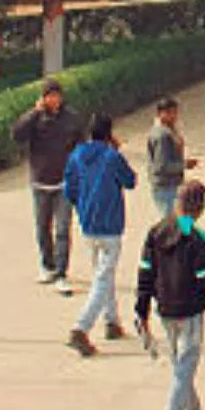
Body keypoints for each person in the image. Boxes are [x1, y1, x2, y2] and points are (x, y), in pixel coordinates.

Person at [135, 180, 205, 410]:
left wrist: (141, 308)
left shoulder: (157, 231)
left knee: (180, 364)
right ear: (200, 207)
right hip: (190, 309)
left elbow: (145, 272)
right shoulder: (196, 237)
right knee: (185, 367)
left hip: (165, 308)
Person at [63, 113, 137, 356]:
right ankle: (81, 327)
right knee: (103, 278)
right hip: (111, 224)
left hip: (88, 223)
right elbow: (130, 181)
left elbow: (70, 189)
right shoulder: (111, 157)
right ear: (109, 134)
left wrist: (82, 206)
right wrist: (116, 151)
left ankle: (112, 320)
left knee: (103, 273)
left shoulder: (76, 156)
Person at [12, 78, 85, 296]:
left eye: (57, 95)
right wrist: (34, 113)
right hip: (40, 182)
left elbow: (81, 144)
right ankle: (48, 265)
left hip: (63, 182)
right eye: (49, 96)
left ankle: (62, 274)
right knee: (43, 228)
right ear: (43, 98)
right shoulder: (35, 118)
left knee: (63, 229)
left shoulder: (71, 118)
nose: (54, 100)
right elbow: (17, 135)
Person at [147, 97, 197, 218]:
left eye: (175, 112)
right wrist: (184, 165)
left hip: (171, 185)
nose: (173, 116)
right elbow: (161, 166)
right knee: (176, 224)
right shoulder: (162, 135)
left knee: (183, 221)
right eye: (169, 113)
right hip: (166, 187)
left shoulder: (168, 131)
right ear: (160, 114)